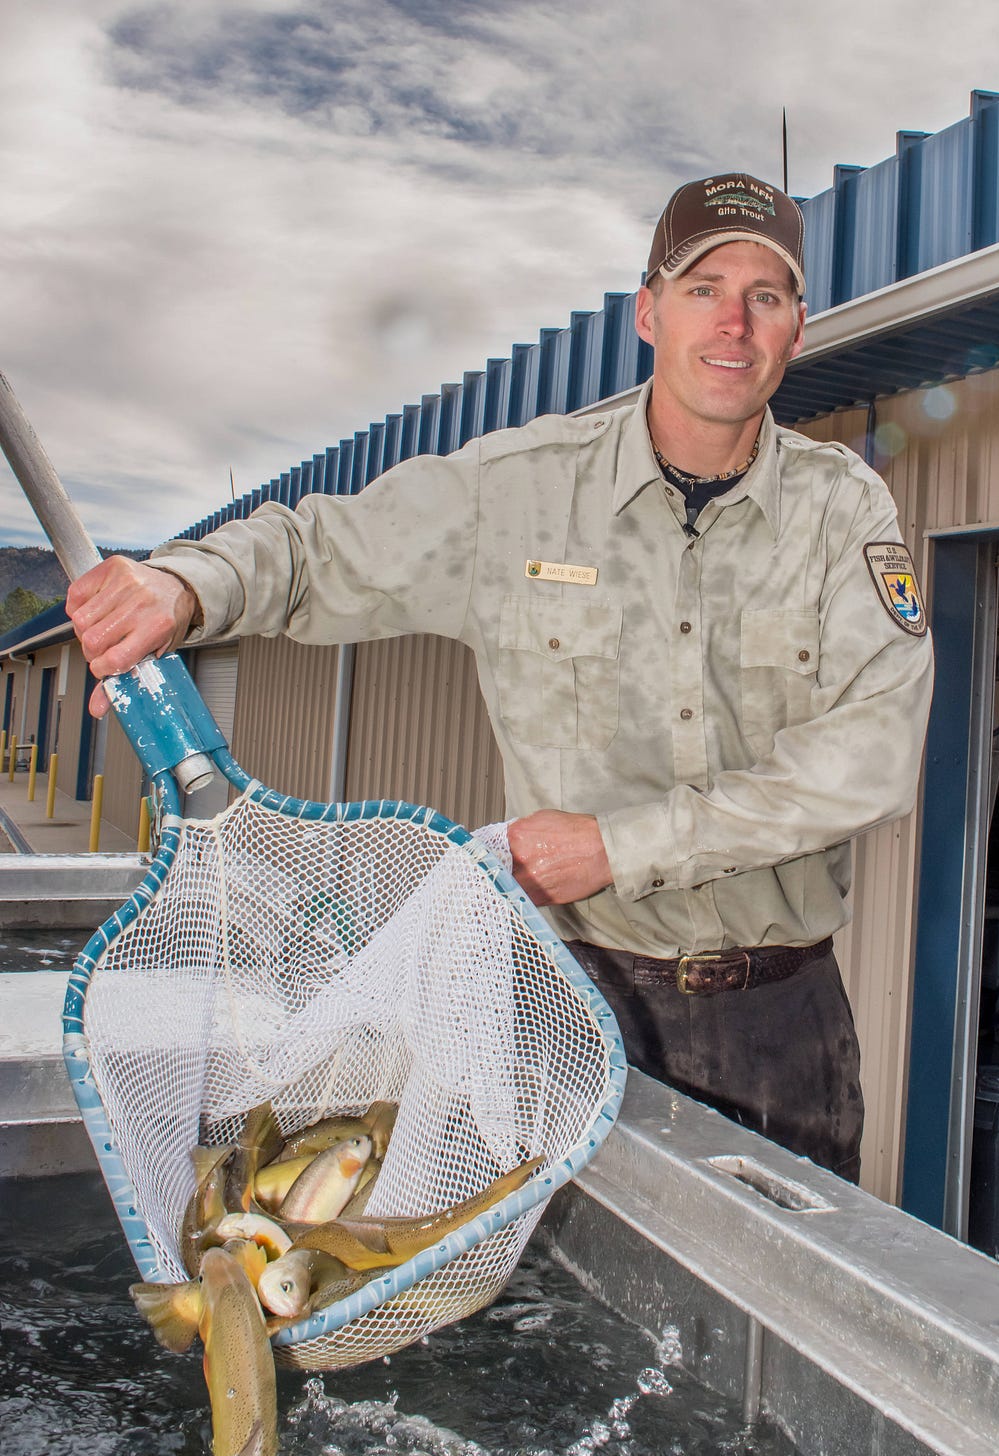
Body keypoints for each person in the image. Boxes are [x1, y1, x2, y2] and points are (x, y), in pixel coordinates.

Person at [66, 172, 934, 1183]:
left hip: (779, 1030)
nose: (732, 321)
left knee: (780, 1329)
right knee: (552, 1323)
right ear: (648, 312)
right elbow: (318, 550)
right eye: (703, 286)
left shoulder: (844, 512)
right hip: (560, 1004)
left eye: (766, 295)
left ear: (795, 328)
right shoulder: (519, 490)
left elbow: (867, 757)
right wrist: (182, 584)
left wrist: (616, 845)